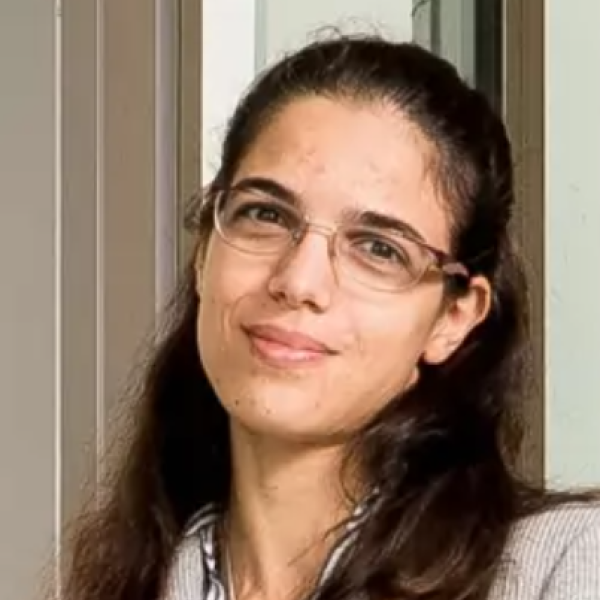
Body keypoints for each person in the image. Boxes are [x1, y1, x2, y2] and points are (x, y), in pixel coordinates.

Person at [62, 35, 600, 600]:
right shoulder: (121, 584)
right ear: (204, 253)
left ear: (454, 316)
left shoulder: (562, 568)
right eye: (265, 214)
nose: (299, 281)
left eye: (378, 248)